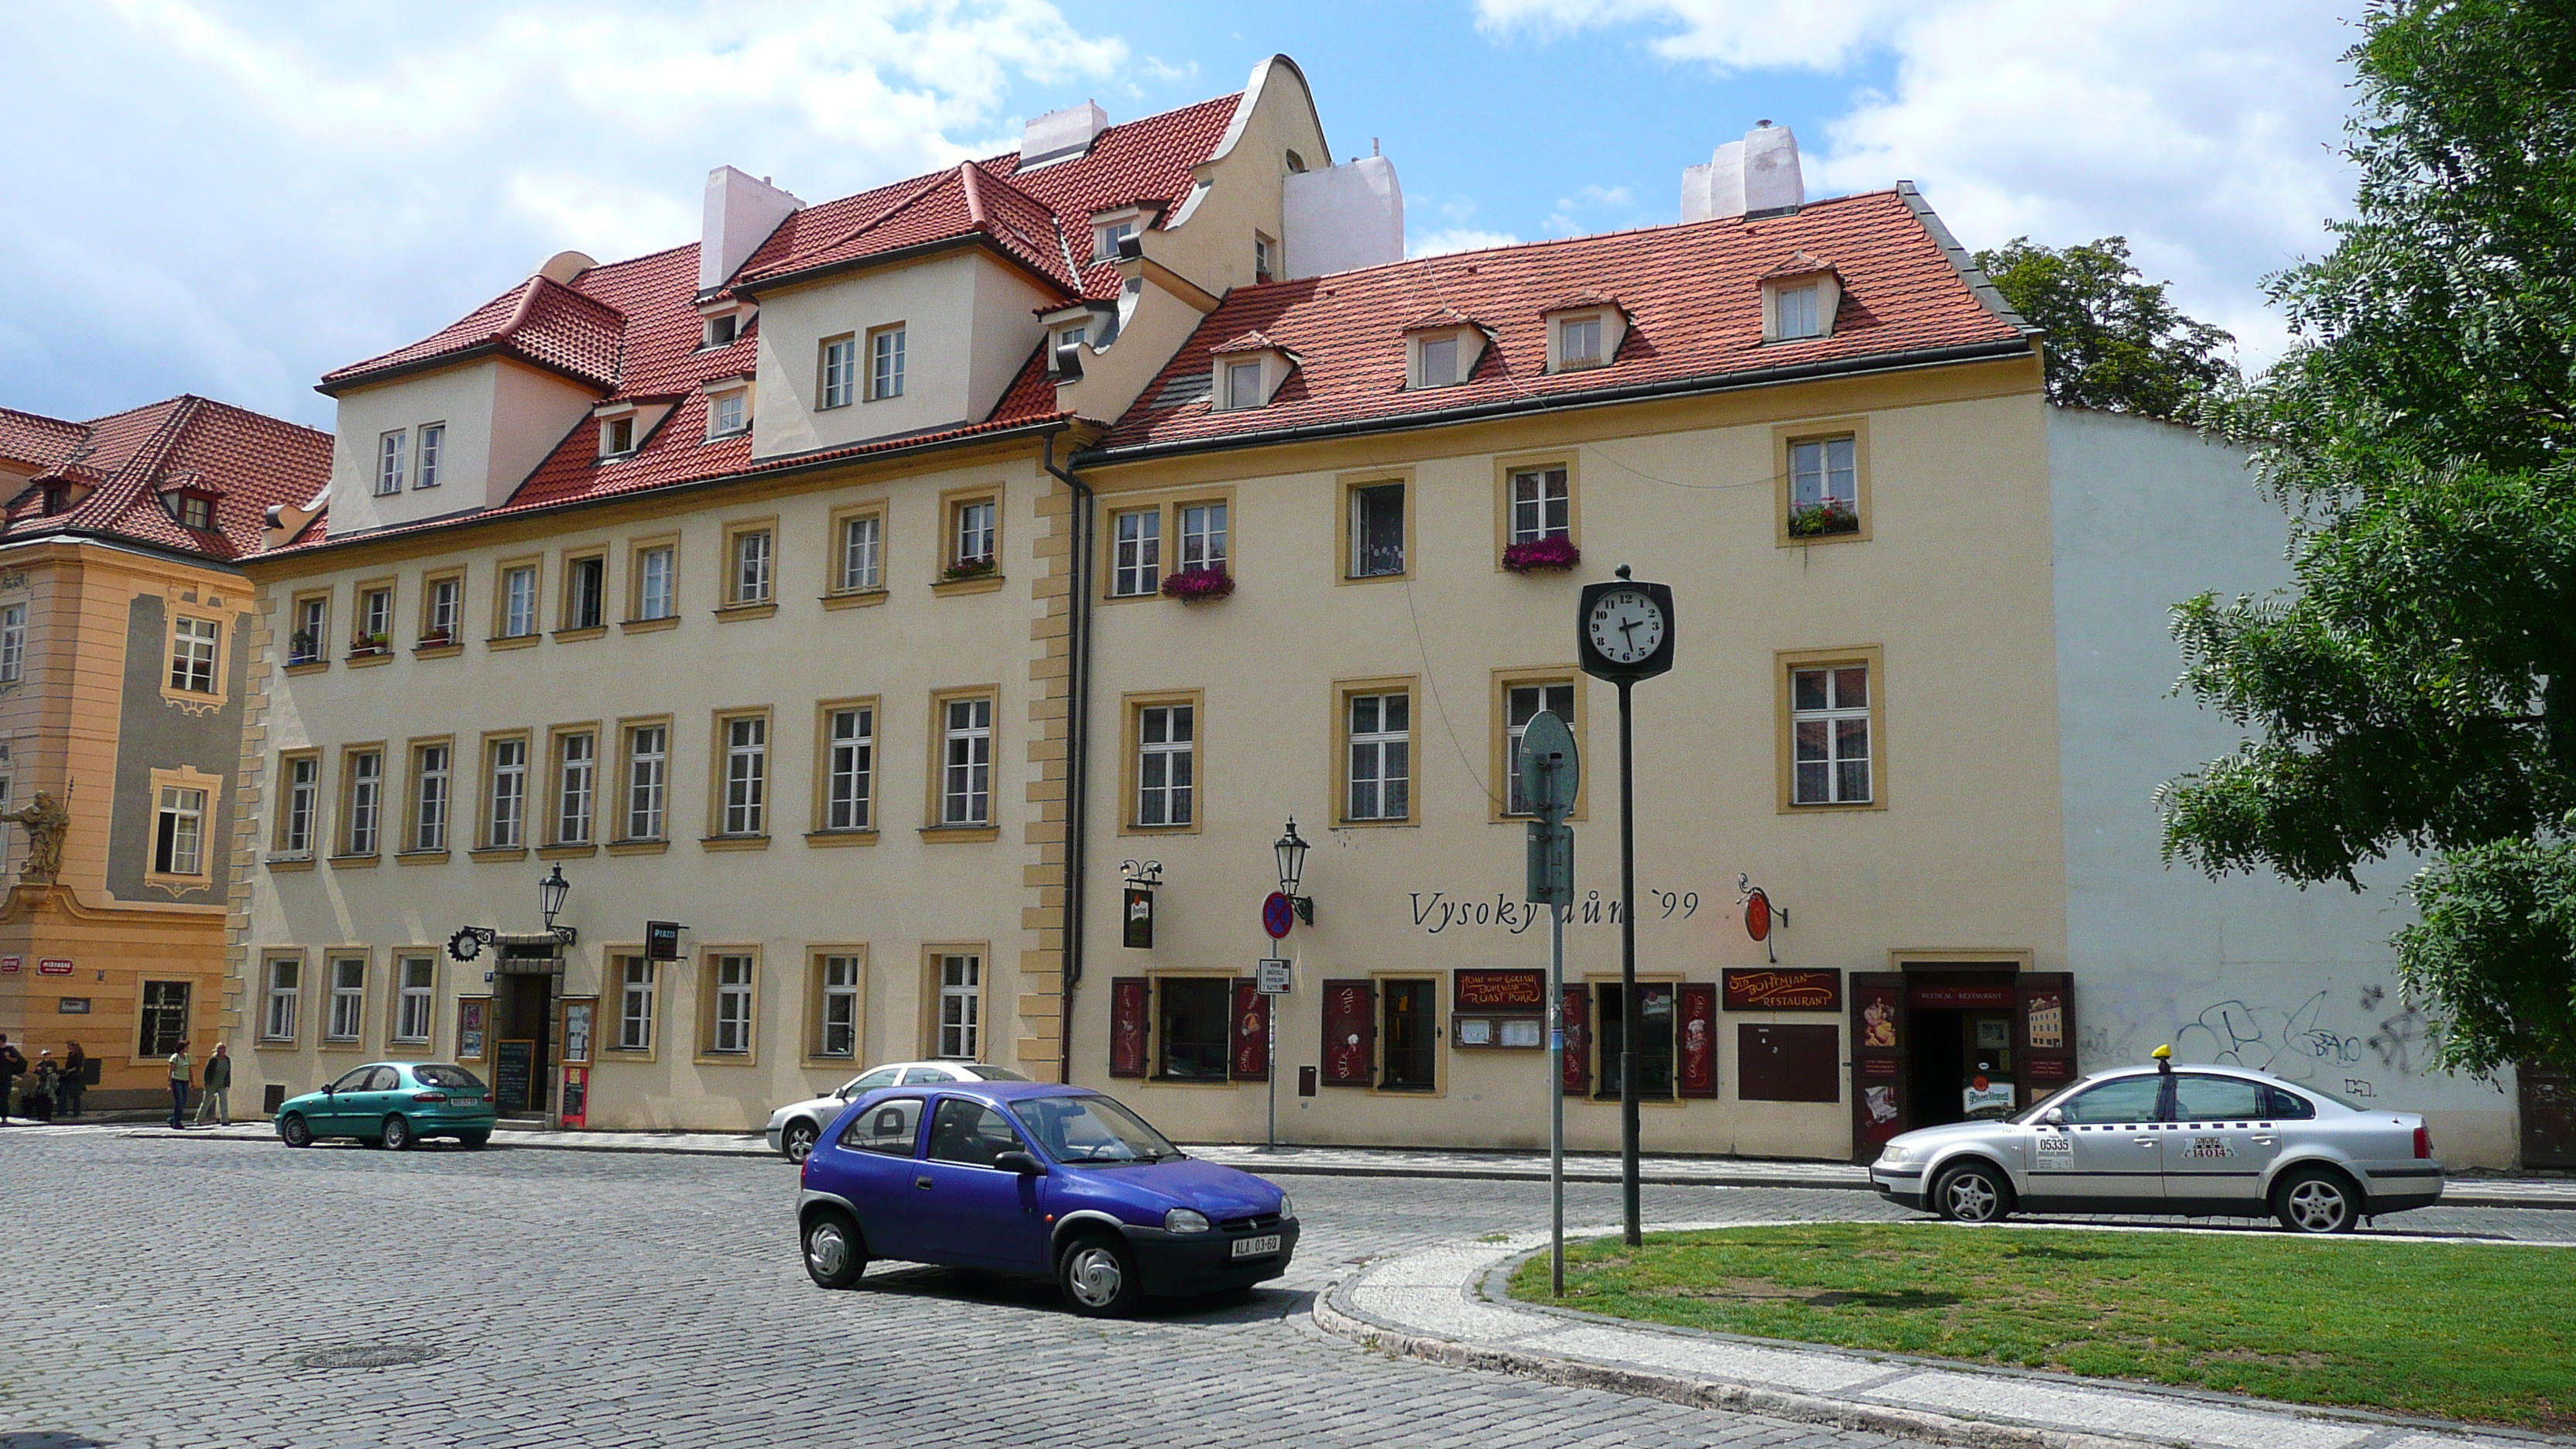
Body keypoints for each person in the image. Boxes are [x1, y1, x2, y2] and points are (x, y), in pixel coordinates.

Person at [195, 1042, 232, 1128]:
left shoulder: (227, 1059)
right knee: (207, 1102)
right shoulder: (213, 1060)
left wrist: (228, 1083)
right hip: (212, 1084)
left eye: (224, 1048)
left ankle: (225, 1120)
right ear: (217, 1049)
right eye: (221, 1048)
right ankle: (199, 1119)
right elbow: (207, 1072)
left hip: (222, 1084)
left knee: (224, 1102)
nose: (223, 1050)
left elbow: (228, 1072)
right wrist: (206, 1083)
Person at [166, 1043, 192, 1130]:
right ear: (182, 1048)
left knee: (184, 1102)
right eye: (186, 1047)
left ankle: (171, 1119)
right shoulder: (175, 1057)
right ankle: (177, 1122)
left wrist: (192, 1082)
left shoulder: (188, 1057)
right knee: (179, 1101)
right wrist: (169, 1083)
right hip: (177, 1080)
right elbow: (170, 1071)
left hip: (185, 1081)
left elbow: (190, 1070)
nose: (187, 1048)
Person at [27, 1052, 57, 1123]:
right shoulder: (40, 1064)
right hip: (41, 1084)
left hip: (49, 1084)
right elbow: (36, 1073)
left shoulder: (53, 1063)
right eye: (45, 1055)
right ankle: (41, 1116)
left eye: (48, 1054)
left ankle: (48, 1116)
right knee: (40, 1100)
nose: (46, 1056)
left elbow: (54, 1072)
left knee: (49, 1100)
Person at [0, 1033, 23, 1124]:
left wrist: (8, 1057)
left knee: (4, 1097)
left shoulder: (10, 1050)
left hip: (5, 1077)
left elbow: (18, 1060)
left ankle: (4, 1116)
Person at [60, 1041, 85, 1118]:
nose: (68, 1047)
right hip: (68, 1076)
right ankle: (63, 1112)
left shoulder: (79, 1055)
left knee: (75, 1095)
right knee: (63, 1092)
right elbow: (67, 1065)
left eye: (69, 1046)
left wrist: (68, 1071)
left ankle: (76, 1112)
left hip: (75, 1076)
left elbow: (78, 1067)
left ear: (74, 1046)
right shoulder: (70, 1054)